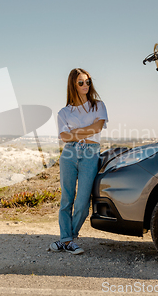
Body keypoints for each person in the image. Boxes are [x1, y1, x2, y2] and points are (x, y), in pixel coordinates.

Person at [50, 68, 108, 254]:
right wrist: (86, 130)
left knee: (83, 202)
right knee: (66, 199)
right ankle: (67, 240)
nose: (86, 85)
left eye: (88, 81)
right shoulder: (64, 112)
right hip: (69, 154)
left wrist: (75, 132)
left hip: (90, 154)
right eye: (81, 82)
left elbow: (98, 127)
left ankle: (67, 239)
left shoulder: (98, 105)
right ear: (73, 85)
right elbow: (65, 137)